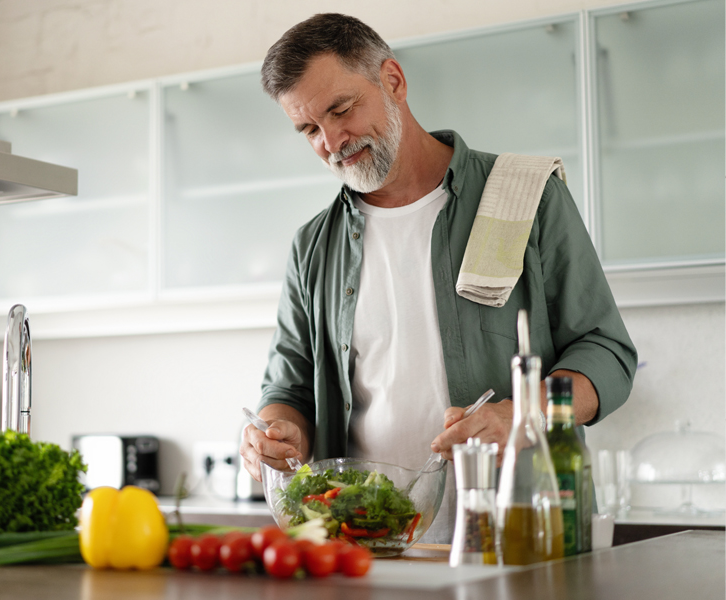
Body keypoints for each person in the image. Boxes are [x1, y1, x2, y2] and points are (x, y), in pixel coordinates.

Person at [240, 13, 637, 542]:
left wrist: (524, 413)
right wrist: (278, 430)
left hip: (519, 533)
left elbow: (607, 354)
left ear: (393, 81)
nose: (332, 140)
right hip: (366, 546)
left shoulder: (525, 196)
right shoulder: (313, 245)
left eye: (341, 109)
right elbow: (288, 384)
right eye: (309, 129)